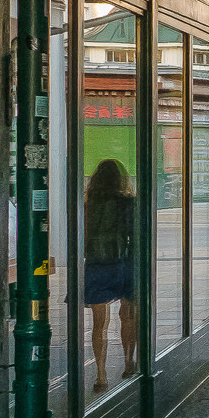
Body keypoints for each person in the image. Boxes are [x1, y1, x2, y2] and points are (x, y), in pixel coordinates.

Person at [82, 159, 138, 392]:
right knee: (128, 316)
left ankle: (101, 375)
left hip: (96, 265)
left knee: (99, 325)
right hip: (123, 264)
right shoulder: (128, 203)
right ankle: (128, 362)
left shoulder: (88, 204)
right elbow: (133, 236)